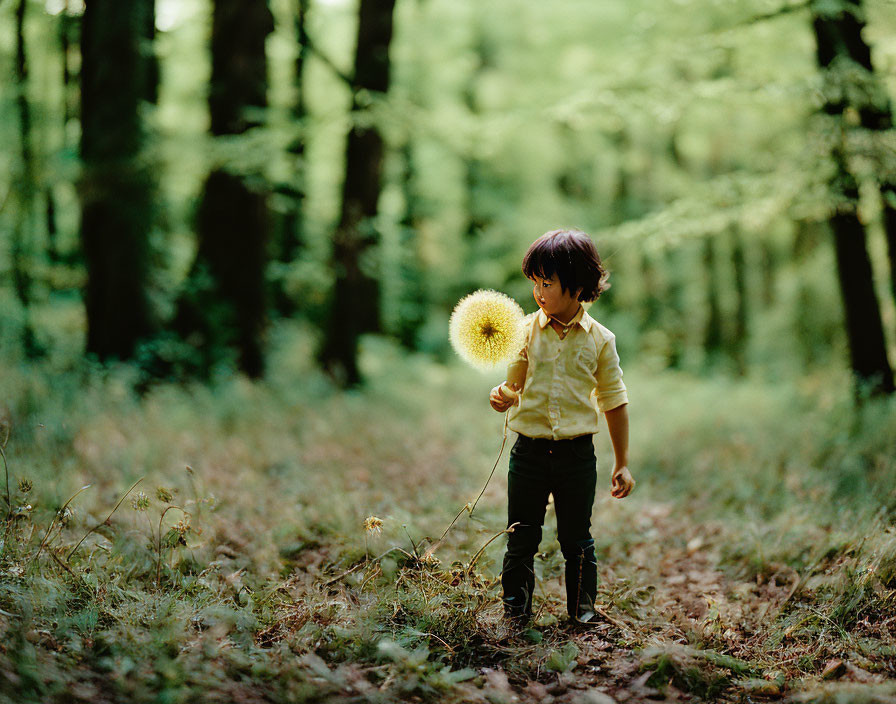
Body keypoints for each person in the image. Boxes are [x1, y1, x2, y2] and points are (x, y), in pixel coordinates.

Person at [489, 228, 634, 628]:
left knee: (576, 539)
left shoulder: (601, 341)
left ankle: (583, 611)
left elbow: (614, 401)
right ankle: (516, 611)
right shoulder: (523, 330)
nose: (538, 292)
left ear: (578, 286)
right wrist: (503, 395)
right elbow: (513, 385)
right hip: (529, 453)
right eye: (534, 282)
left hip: (576, 456)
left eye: (547, 283)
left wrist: (622, 462)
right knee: (521, 535)